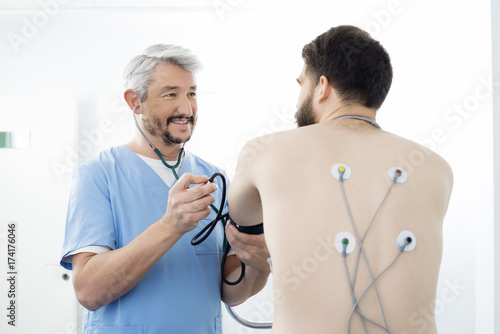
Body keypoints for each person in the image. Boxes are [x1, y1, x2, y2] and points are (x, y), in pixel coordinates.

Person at [227, 25, 453, 334]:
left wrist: (268, 254)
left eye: (301, 85)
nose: (298, 101)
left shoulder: (263, 152)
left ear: (322, 87)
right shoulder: (436, 168)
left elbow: (241, 239)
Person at [60, 44, 270, 333]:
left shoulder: (215, 178)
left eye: (192, 93)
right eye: (171, 94)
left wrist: (259, 263)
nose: (186, 108)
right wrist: (170, 226)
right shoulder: (98, 175)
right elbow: (88, 292)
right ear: (135, 101)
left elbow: (231, 292)